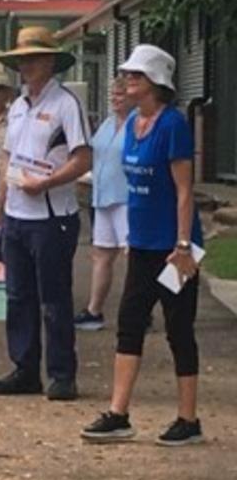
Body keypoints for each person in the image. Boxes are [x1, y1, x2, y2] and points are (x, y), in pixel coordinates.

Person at [81, 45, 206, 446]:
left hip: (175, 250)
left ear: (155, 83)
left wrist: (184, 245)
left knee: (178, 327)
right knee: (130, 323)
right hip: (143, 245)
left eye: (136, 75)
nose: (128, 80)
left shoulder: (173, 126)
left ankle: (188, 419)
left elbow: (185, 191)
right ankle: (119, 413)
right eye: (127, 74)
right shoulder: (133, 121)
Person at [0, 26, 92, 402]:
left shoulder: (65, 104)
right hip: (17, 215)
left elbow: (83, 158)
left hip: (52, 216)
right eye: (21, 60)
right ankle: (25, 369)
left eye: (31, 59)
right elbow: (8, 160)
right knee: (18, 297)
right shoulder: (17, 106)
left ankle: (62, 374)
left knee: (54, 297)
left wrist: (45, 184)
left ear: (49, 61)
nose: (25, 66)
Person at [75, 76, 135, 331]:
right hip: (102, 197)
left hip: (127, 198)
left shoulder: (139, 124)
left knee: (133, 256)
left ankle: (139, 310)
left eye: (120, 94)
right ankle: (94, 310)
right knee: (101, 255)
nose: (115, 98)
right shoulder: (107, 124)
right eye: (113, 94)